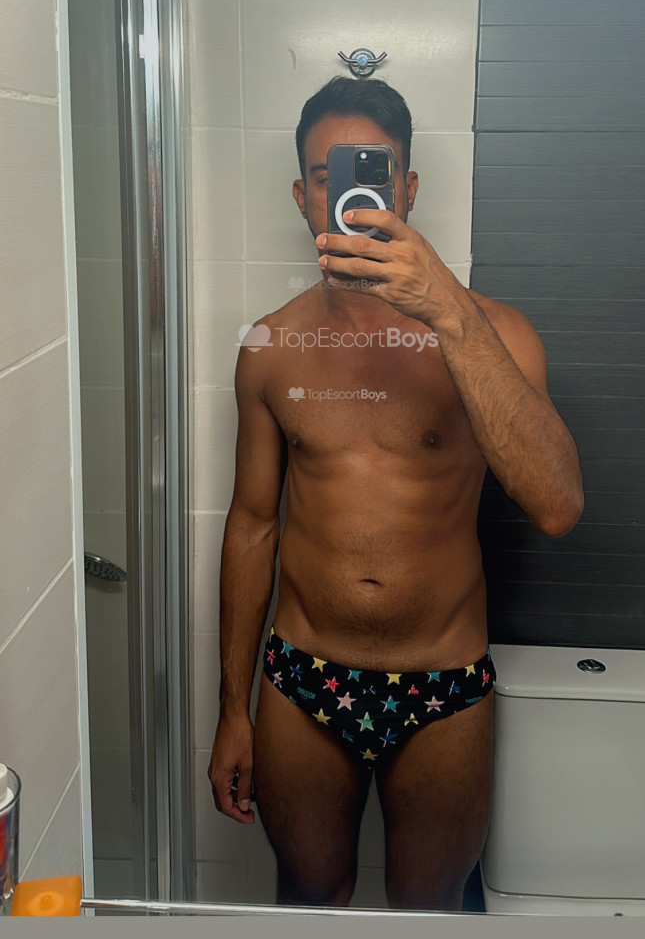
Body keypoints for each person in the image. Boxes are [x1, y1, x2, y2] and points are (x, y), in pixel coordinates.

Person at [208, 76, 583, 912]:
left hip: (442, 683)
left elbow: (557, 505)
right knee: (309, 900)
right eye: (324, 177)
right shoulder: (269, 346)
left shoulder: (494, 332)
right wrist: (232, 711)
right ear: (302, 195)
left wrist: (445, 310)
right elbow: (252, 525)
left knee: (429, 911)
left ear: (406, 189)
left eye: (372, 175)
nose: (347, 197)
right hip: (301, 681)